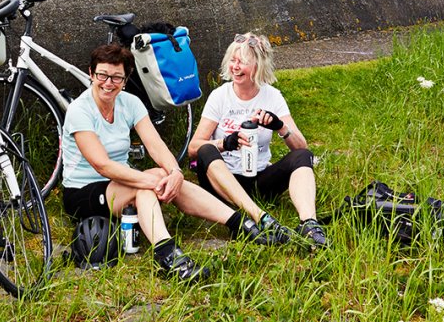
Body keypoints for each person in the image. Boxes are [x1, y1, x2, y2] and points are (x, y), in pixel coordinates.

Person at [61, 43, 281, 282]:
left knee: (159, 176)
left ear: (125, 79)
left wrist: (174, 172)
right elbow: (102, 166)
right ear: (91, 74)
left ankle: (238, 223)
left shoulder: (130, 103)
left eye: (116, 77)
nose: (108, 83)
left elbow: (156, 146)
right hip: (82, 192)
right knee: (147, 185)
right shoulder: (80, 110)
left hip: (120, 183)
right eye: (102, 75)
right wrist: (153, 180)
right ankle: (167, 255)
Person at [187, 32, 328, 250]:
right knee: (206, 149)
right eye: (232, 60)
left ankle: (309, 223)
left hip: (258, 179)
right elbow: (193, 149)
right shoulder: (220, 96)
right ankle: (259, 216)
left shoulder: (272, 96)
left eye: (242, 61)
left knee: (303, 156)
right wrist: (225, 143)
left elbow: (301, 146)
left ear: (258, 65)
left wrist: (280, 127)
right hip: (221, 182)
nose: (235, 67)